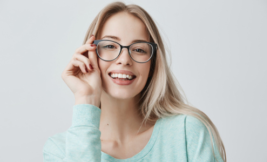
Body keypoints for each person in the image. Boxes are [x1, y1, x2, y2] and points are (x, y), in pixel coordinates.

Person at [43, 2, 226, 162]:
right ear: (89, 55)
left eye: (139, 49)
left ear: (153, 64)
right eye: (109, 46)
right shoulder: (60, 150)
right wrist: (86, 98)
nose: (124, 59)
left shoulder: (188, 133)